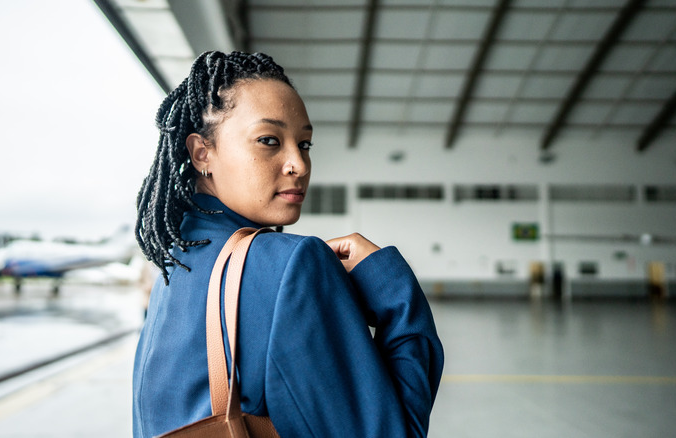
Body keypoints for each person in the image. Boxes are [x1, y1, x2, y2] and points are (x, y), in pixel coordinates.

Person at [132, 51, 443, 437]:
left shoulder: (173, 256)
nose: (299, 163)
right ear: (202, 153)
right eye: (269, 140)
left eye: (305, 144)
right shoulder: (292, 264)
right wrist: (392, 286)